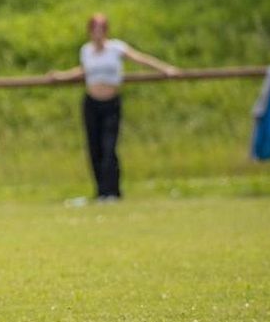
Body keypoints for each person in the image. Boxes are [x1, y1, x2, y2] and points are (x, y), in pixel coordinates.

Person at [50, 13, 180, 201]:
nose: (98, 33)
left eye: (101, 29)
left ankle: (112, 191)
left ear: (106, 31)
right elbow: (84, 70)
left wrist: (165, 69)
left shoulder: (116, 48)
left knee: (109, 147)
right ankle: (100, 192)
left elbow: (140, 58)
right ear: (89, 31)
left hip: (110, 103)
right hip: (91, 103)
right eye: (95, 29)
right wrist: (61, 76)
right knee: (94, 148)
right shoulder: (86, 50)